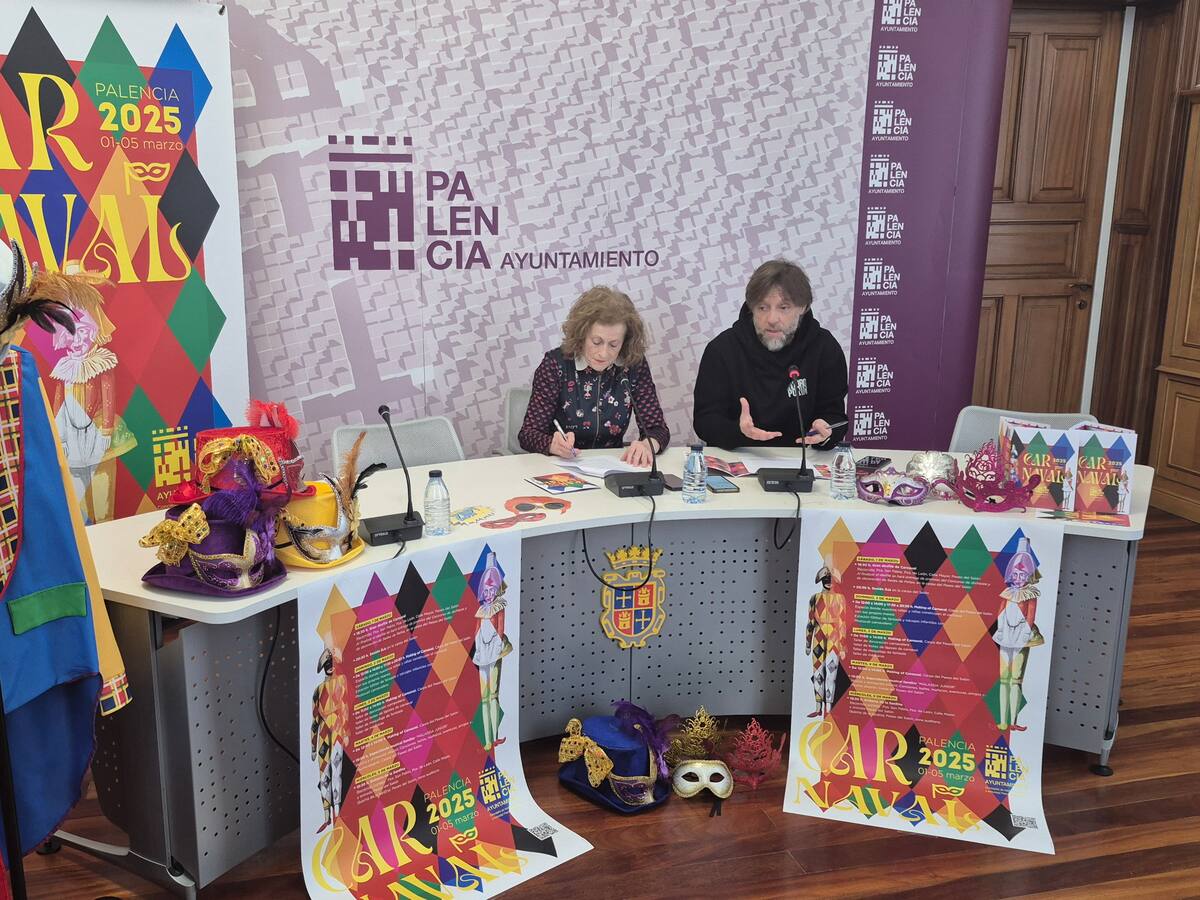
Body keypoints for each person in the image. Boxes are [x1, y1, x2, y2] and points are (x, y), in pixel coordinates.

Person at [693, 259, 848, 450]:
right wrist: (738, 432)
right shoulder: (722, 350)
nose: (772, 319)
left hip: (803, 457)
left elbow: (836, 417)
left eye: (784, 308)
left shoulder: (824, 348)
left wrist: (825, 431)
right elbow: (704, 421)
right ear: (751, 308)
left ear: (803, 307)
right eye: (762, 307)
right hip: (740, 454)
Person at [518, 286, 669, 466]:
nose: (603, 353)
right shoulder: (555, 364)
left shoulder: (633, 365)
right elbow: (528, 434)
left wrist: (647, 445)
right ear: (582, 335)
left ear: (625, 342)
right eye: (596, 342)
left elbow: (658, 429)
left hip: (612, 467)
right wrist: (551, 444)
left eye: (613, 344)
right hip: (560, 466)